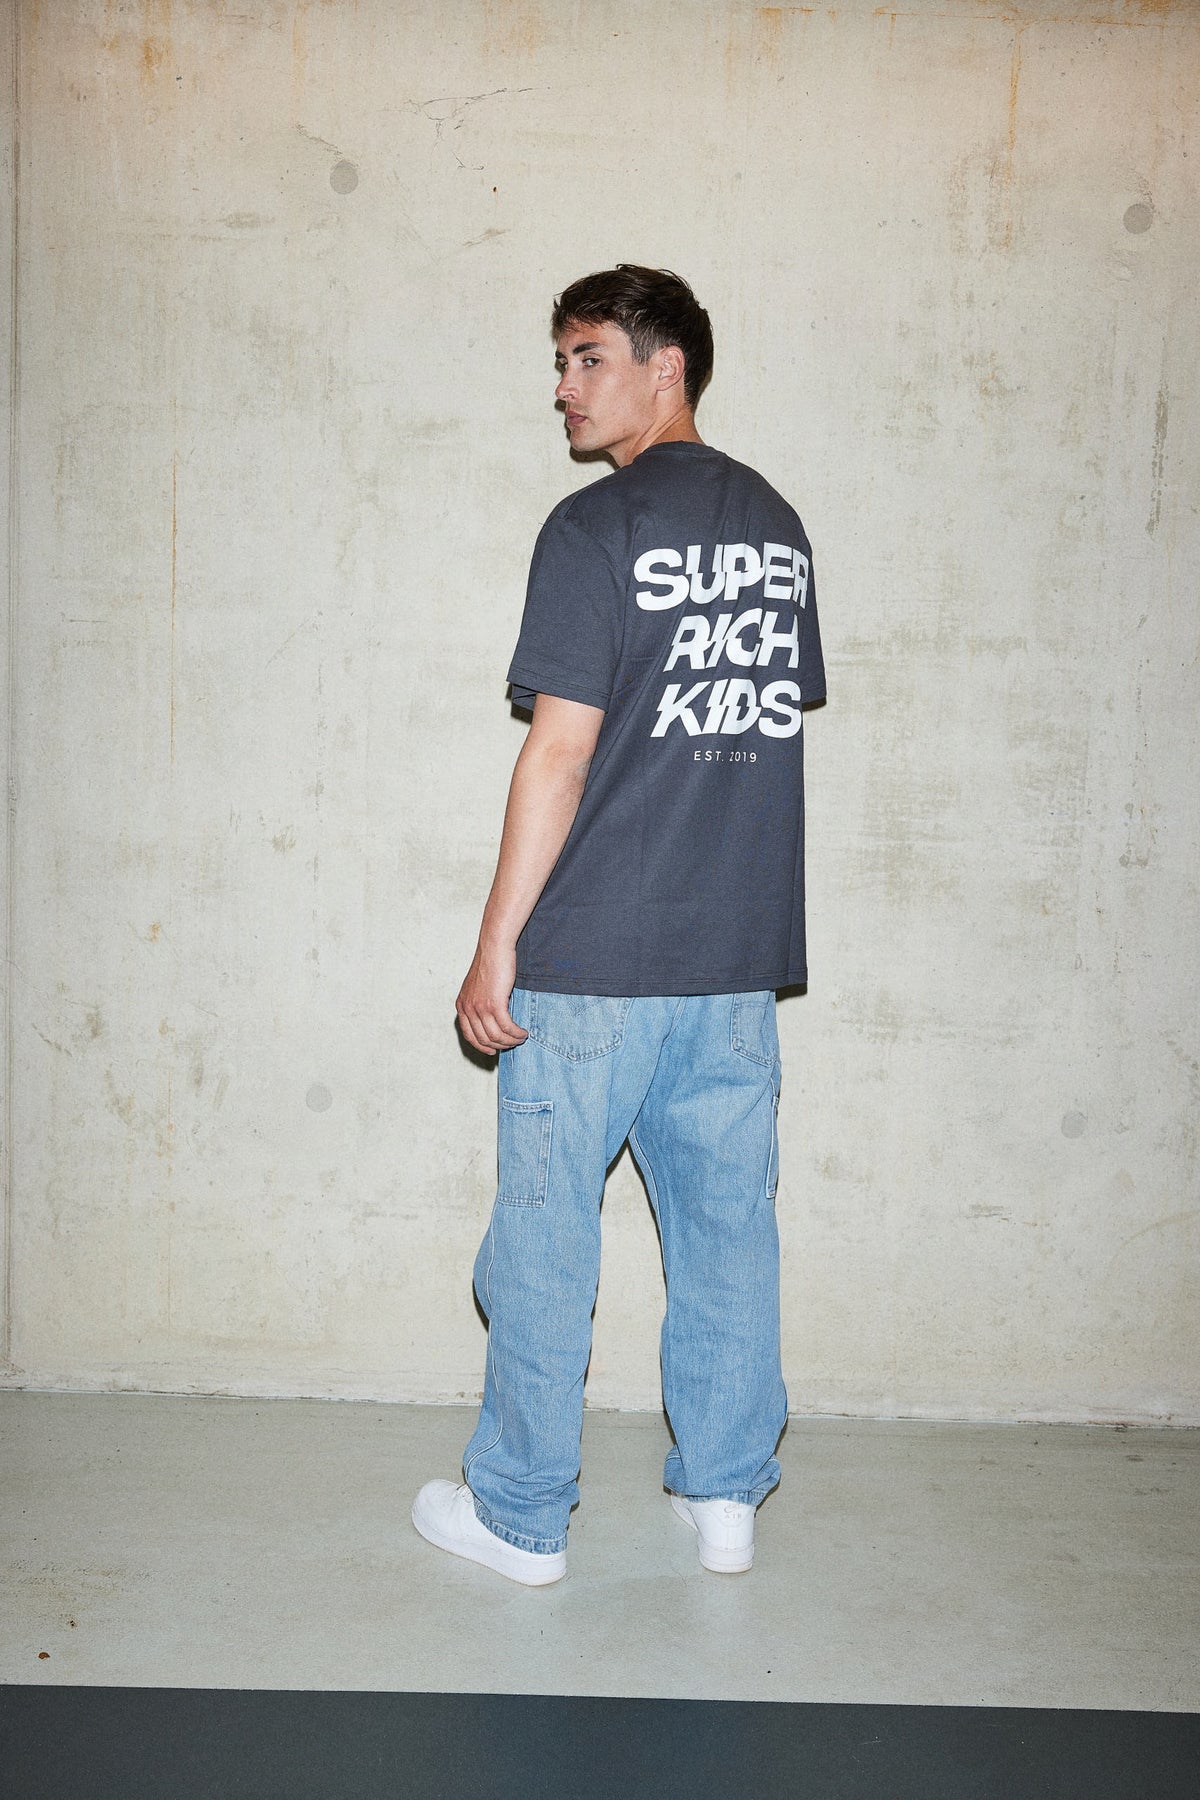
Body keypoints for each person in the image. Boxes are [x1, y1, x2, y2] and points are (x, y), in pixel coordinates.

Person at [412, 265, 825, 1585]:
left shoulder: (594, 529)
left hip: (592, 957)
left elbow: (562, 752)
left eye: (588, 357)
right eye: (561, 361)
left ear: (667, 367)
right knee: (727, 1236)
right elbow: (753, 729)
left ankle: (520, 1514)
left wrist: (497, 942)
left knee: (544, 1242)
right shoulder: (776, 528)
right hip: (734, 961)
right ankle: (725, 1498)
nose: (564, 387)